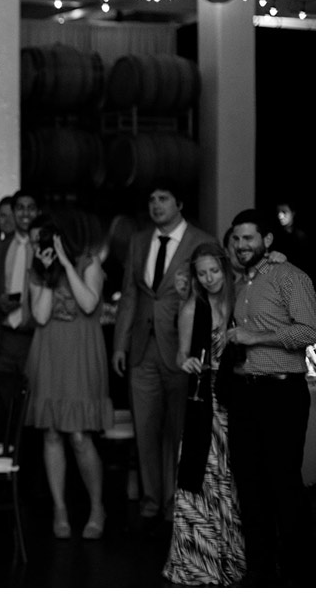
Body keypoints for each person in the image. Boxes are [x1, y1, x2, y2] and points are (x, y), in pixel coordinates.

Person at [112, 181, 213, 527]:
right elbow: (129, 295)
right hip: (142, 346)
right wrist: (119, 344)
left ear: (179, 203)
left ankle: (176, 500)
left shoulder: (201, 241)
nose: (156, 205)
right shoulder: (140, 240)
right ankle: (151, 498)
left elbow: (212, 295)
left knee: (178, 429)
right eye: (152, 199)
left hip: (181, 346)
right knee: (145, 427)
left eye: (164, 199)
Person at [224, 208, 316, 587]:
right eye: (237, 238)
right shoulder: (240, 284)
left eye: (249, 238)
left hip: (282, 393)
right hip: (247, 395)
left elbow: (308, 331)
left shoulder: (290, 277)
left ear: (267, 241)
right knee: (249, 485)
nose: (242, 245)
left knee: (284, 485)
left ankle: (296, 577)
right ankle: (259, 575)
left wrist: (253, 338)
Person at [162, 242, 246, 586]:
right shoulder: (189, 309)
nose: (209, 279)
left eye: (214, 271)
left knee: (233, 480)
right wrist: (188, 362)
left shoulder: (240, 302)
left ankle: (231, 560)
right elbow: (181, 355)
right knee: (201, 477)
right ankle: (197, 563)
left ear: (224, 269)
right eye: (202, 273)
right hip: (203, 403)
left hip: (238, 399)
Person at [25, 210, 113, 540]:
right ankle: (59, 507)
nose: (39, 247)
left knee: (78, 435)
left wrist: (65, 263)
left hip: (81, 351)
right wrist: (48, 272)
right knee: (50, 433)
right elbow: (41, 315)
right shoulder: (38, 271)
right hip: (49, 352)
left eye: (44, 241)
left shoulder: (88, 263)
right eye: (36, 243)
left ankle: (96, 506)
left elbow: (90, 304)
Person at [0, 189, 39, 430]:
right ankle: (0, 464)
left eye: (30, 207)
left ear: (38, 212)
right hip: (1, 339)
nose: (24, 213)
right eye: (19, 207)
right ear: (13, 212)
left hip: (34, 338)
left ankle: (27, 466)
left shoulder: (47, 246)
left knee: (32, 411)